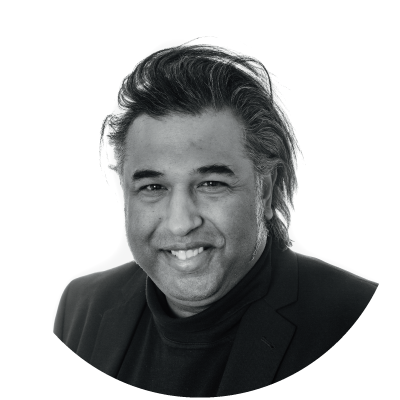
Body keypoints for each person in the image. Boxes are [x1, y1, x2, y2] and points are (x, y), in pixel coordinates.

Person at [54, 44, 378, 397]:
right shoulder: (81, 306)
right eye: (153, 187)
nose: (180, 223)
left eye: (211, 184)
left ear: (266, 191)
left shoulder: (365, 324)